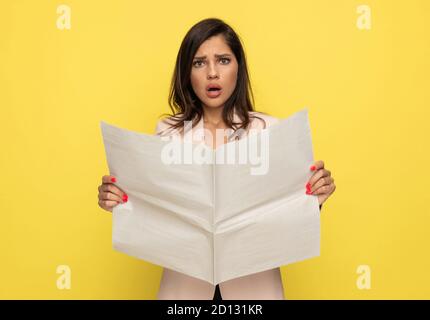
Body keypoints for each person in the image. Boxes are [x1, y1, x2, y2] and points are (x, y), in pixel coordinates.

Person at [97, 18, 336, 300]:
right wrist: (121, 201)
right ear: (187, 73)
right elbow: (156, 210)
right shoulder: (168, 133)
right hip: (185, 291)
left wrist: (312, 199)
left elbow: (284, 208)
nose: (212, 73)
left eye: (223, 60)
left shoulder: (269, 131)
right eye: (199, 63)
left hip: (254, 290)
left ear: (238, 67)